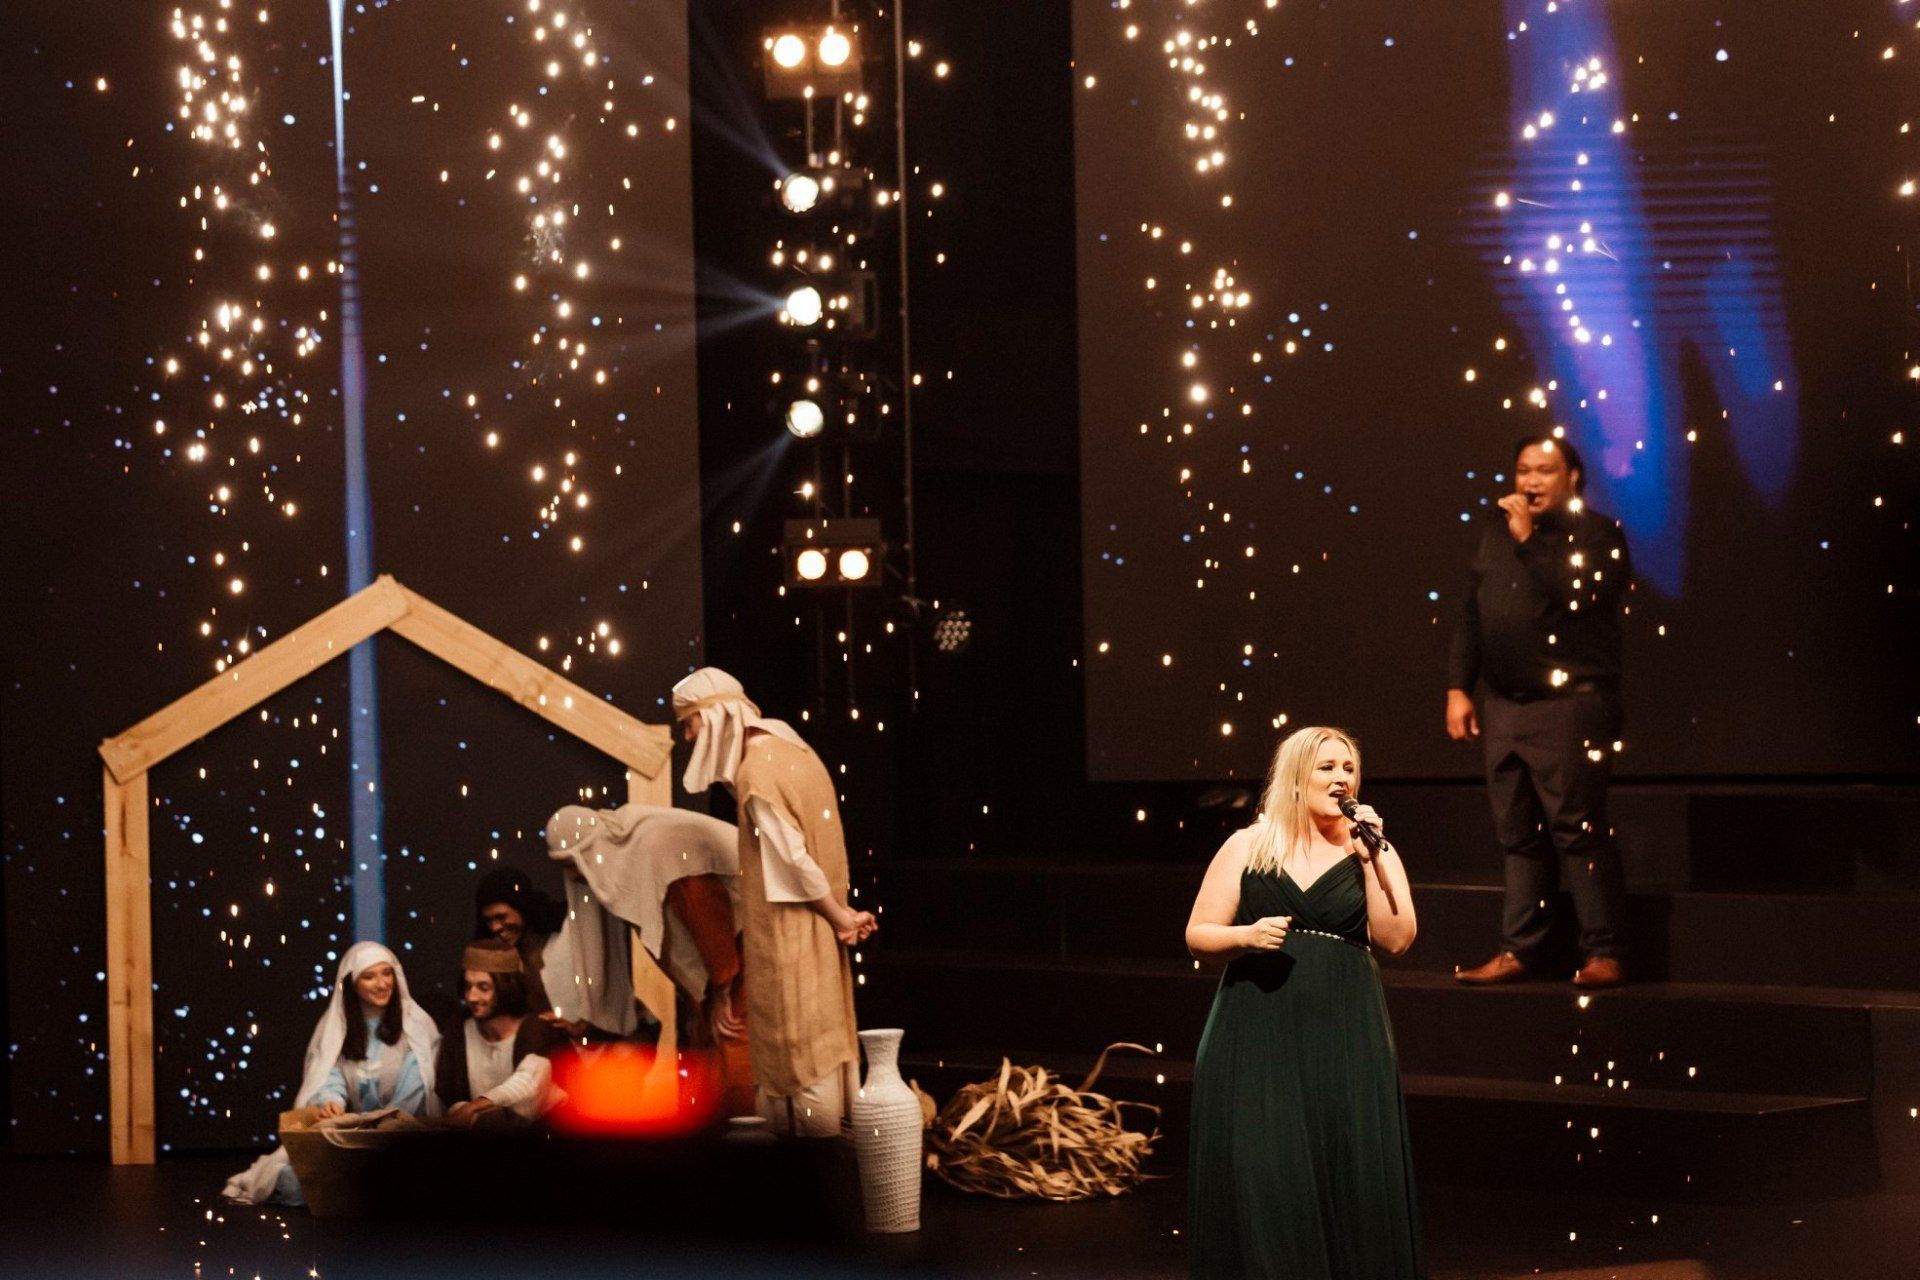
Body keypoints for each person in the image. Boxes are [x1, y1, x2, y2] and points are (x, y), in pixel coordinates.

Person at [1184, 726, 1421, 1279]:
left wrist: (1371, 857)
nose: (1341, 778)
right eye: (1327, 767)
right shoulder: (1250, 844)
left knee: (1346, 1165)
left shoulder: (1370, 847)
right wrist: (1244, 936)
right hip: (1257, 1025)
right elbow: (1198, 933)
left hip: (1345, 1030)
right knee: (1268, 1166)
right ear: (1295, 776)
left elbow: (1398, 939)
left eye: (1349, 768)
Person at [1447, 433, 1631, 988]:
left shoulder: (1597, 534)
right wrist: (1459, 686)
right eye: (1523, 469)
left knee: (1576, 829)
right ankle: (1520, 950)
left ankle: (1605, 952)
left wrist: (1528, 542)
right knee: (1518, 834)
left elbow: (1577, 597)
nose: (1530, 481)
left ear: (1572, 477)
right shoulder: (1494, 532)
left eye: (1544, 471)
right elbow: (1474, 614)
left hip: (1569, 704)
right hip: (1505, 706)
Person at [671, 666, 875, 1137]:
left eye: (689, 722)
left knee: (799, 1062)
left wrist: (838, 914)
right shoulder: (793, 747)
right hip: (818, 933)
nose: (687, 736)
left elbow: (793, 860)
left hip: (792, 937)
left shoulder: (756, 772)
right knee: (826, 1040)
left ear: (716, 715)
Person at [222, 942, 442, 1205]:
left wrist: (379, 1130)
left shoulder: (416, 1026)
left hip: (399, 1140)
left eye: (386, 973)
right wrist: (331, 1103)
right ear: (352, 984)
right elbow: (329, 1073)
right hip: (350, 1139)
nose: (382, 983)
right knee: (294, 1181)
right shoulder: (338, 1028)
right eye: (369, 976)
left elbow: (415, 1090)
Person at [435, 939, 567, 1123]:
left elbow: (528, 1083)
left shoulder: (536, 1029)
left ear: (506, 987)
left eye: (483, 987)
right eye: (468, 986)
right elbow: (449, 1093)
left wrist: (476, 1106)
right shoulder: (459, 1029)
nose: (471, 997)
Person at [473, 865, 569, 1016]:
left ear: (522, 908)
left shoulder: (562, 943)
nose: (495, 927)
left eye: (501, 917)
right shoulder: (500, 958)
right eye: (488, 921)